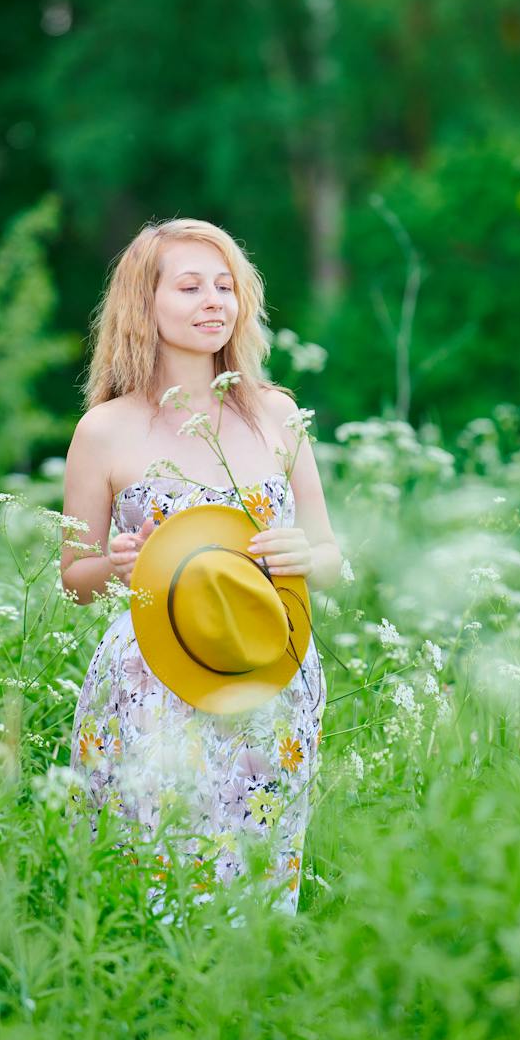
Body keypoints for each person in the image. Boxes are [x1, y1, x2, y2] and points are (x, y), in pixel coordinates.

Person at [61, 217, 342, 916]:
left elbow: (330, 555)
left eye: (226, 286)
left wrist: (304, 555)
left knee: (259, 870)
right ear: (143, 304)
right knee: (150, 870)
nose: (214, 301)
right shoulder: (105, 429)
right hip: (151, 676)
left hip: (265, 669)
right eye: (190, 287)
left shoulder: (277, 414)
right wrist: (116, 565)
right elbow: (74, 576)